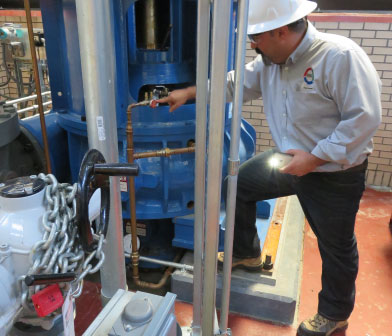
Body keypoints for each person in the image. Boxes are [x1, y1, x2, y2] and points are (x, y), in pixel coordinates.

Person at [155, 0, 382, 335]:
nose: (252, 44)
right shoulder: (270, 62)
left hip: (332, 173)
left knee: (335, 244)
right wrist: (187, 93)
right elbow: (233, 83)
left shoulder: (338, 57)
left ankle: (334, 314)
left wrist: (315, 158)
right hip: (291, 161)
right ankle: (246, 252)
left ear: (281, 30)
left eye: (257, 36)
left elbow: (364, 119)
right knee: (241, 183)